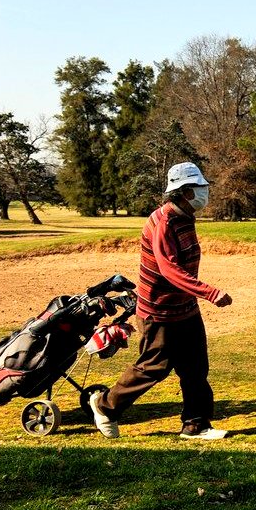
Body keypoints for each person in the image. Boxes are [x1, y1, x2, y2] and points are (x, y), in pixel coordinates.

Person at [88, 162, 233, 440]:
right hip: (159, 311)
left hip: (184, 307)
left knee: (195, 367)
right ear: (185, 192)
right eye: (199, 187)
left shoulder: (184, 216)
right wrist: (210, 292)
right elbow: (169, 269)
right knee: (154, 366)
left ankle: (196, 425)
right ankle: (105, 406)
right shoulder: (164, 222)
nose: (205, 192)